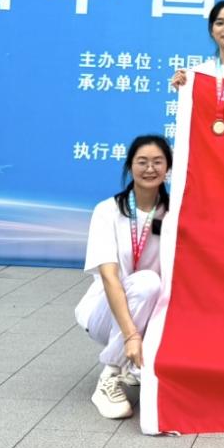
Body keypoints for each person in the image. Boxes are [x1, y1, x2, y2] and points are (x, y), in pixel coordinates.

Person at [74, 134, 172, 419]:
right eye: (142, 162)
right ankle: (110, 376)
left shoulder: (174, 214)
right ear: (130, 166)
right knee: (147, 282)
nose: (150, 168)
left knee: (155, 287)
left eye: (158, 162)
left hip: (151, 315)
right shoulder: (107, 211)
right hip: (104, 313)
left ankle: (136, 368)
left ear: (168, 168)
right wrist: (131, 335)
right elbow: (109, 278)